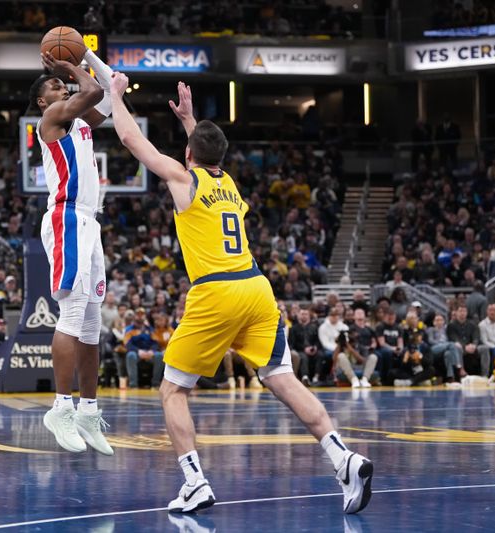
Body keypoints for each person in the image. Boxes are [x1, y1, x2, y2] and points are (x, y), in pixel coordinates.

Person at [110, 75, 373, 514]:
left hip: (217, 292)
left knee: (172, 391)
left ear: (189, 154)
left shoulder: (183, 177)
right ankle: (342, 457)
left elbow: (130, 138)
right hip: (256, 288)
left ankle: (194, 481)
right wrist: (190, 120)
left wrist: (116, 97)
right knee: (281, 378)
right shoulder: (227, 182)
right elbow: (203, 152)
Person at [30, 46, 115, 455]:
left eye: (62, 82)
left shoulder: (79, 116)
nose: (60, 85)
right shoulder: (52, 117)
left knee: (92, 321)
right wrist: (71, 65)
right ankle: (60, 407)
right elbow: (96, 93)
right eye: (53, 85)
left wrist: (89, 58)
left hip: (88, 221)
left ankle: (87, 409)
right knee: (74, 310)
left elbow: (110, 99)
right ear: (42, 101)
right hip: (65, 217)